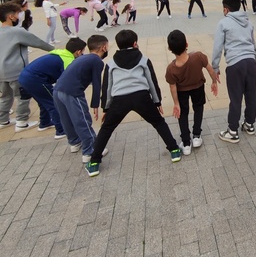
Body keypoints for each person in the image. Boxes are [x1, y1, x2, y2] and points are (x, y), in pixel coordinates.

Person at [84, 30, 181, 176]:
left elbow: (108, 87)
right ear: (135, 43)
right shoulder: (143, 59)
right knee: (159, 123)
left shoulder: (111, 64)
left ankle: (94, 163)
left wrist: (106, 107)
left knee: (106, 129)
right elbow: (151, 81)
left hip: (119, 99)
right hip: (141, 97)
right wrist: (157, 101)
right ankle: (174, 150)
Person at [52, 34, 109, 163]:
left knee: (66, 118)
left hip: (58, 89)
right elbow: (96, 83)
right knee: (82, 119)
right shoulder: (97, 61)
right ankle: (90, 150)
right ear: (103, 48)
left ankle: (74, 142)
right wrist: (95, 105)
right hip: (72, 91)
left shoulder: (83, 58)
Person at [212, 0, 256, 143]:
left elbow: (218, 47)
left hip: (235, 64)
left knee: (236, 98)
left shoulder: (223, 23)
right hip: (250, 61)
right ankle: (249, 124)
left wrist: (215, 67)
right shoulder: (248, 22)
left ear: (226, 9)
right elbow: (253, 43)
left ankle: (232, 131)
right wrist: (254, 61)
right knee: (251, 95)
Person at [0, 2, 54, 131]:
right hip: (16, 71)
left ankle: (3, 120)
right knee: (22, 96)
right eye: (18, 14)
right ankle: (21, 122)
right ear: (11, 17)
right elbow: (39, 43)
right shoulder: (17, 31)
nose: (19, 17)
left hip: (1, 72)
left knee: (5, 96)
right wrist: (55, 50)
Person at [18, 37, 86, 137]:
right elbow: (69, 79)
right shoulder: (67, 59)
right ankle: (61, 130)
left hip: (24, 77)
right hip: (35, 80)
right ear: (78, 52)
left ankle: (44, 123)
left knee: (43, 101)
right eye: (83, 51)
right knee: (54, 103)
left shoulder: (61, 53)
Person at [165, 30, 218, 155]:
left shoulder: (171, 69)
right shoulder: (198, 56)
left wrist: (176, 103)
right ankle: (196, 136)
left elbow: (172, 87)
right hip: (198, 87)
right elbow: (210, 70)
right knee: (198, 109)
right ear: (187, 44)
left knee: (182, 114)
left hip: (182, 91)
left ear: (170, 48)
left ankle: (186, 142)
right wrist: (214, 82)